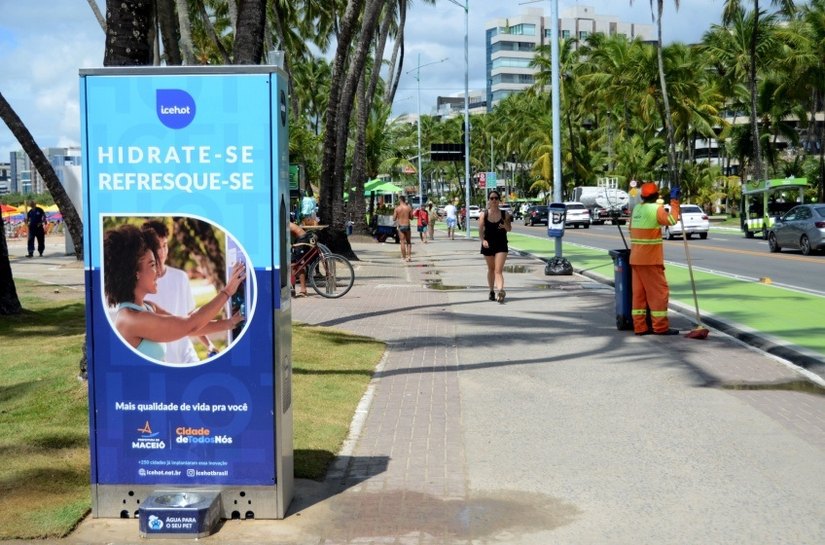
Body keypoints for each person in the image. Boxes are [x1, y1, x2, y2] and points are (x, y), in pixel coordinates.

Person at [103, 224, 246, 362]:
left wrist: (229, 323)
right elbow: (190, 324)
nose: (158, 272)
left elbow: (188, 326)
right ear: (135, 273)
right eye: (152, 265)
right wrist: (227, 291)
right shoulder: (130, 319)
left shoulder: (147, 307)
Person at [142, 220, 217, 362]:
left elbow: (191, 318)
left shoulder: (180, 277)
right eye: (158, 246)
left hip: (186, 354)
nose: (163, 252)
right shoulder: (142, 285)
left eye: (165, 245)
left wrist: (209, 344)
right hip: (159, 358)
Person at [629, 182, 681, 336]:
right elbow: (672, 220)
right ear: (656, 196)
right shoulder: (656, 209)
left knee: (639, 295)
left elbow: (631, 229)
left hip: (636, 259)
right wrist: (675, 202)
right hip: (650, 260)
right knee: (659, 293)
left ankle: (640, 327)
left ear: (643, 196)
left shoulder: (637, 209)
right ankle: (660, 327)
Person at [478, 190, 511, 303]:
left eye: (496, 198)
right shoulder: (484, 214)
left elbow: (509, 229)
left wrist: (505, 224)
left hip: (501, 244)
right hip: (488, 244)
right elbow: (480, 231)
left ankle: (500, 291)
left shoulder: (504, 214)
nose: (494, 200)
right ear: (489, 200)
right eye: (492, 198)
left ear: (499, 200)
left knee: (498, 270)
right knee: (491, 269)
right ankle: (492, 290)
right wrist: (483, 241)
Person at [289, 221, 310, 297]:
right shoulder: (284, 221)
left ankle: (303, 290)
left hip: (302, 238)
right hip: (300, 238)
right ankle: (292, 288)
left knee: (300, 264)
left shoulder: (282, 222)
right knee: (293, 264)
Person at [393, 195, 413, 262]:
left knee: (402, 242)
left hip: (401, 226)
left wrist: (398, 215)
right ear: (405, 200)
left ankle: (404, 258)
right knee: (409, 242)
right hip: (407, 225)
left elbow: (394, 218)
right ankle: (409, 257)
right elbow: (412, 218)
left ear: (400, 200)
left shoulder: (397, 208)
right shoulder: (408, 208)